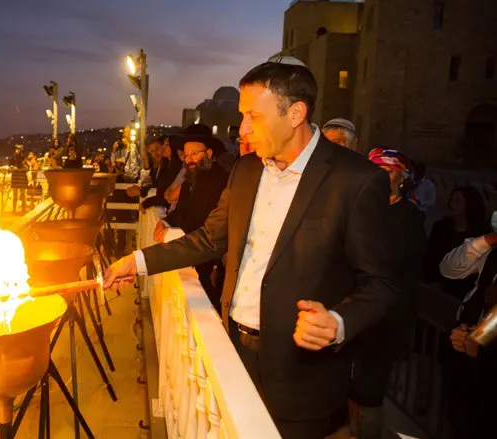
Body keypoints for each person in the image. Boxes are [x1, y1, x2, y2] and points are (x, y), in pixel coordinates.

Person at [105, 61, 398, 439]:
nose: (242, 129)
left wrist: (339, 322)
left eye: (252, 117)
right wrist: (138, 261)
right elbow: (209, 239)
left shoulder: (356, 180)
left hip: (301, 375)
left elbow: (381, 283)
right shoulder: (246, 170)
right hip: (231, 351)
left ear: (295, 113)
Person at [347, 148, 426, 439]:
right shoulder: (366, 209)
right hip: (358, 310)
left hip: (386, 317)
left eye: (387, 171)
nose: (380, 178)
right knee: (350, 385)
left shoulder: (408, 217)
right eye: (375, 171)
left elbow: (384, 261)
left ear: (401, 178)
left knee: (369, 388)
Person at [153, 131, 230, 307]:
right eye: (186, 155)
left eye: (194, 154)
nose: (189, 160)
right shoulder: (190, 178)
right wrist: (165, 222)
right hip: (192, 250)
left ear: (209, 153)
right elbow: (182, 210)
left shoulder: (221, 180)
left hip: (211, 256)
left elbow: (205, 219)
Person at [438, 216, 497, 438]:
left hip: (487, 362)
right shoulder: (492, 250)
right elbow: (448, 269)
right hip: (467, 347)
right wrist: (488, 240)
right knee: (458, 419)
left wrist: (480, 349)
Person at [423, 186, 489, 300]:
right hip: (435, 289)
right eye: (451, 200)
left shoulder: (481, 235)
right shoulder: (440, 228)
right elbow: (429, 258)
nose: (452, 204)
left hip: (464, 295)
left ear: (470, 203)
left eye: (457, 200)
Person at [10, 145, 28, 213]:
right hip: (15, 177)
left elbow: (27, 167)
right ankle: (14, 210)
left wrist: (21, 169)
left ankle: (23, 209)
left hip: (22, 177)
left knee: (22, 194)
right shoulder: (13, 157)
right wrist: (12, 167)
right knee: (15, 194)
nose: (17, 150)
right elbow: (10, 165)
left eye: (19, 149)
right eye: (16, 149)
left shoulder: (24, 157)